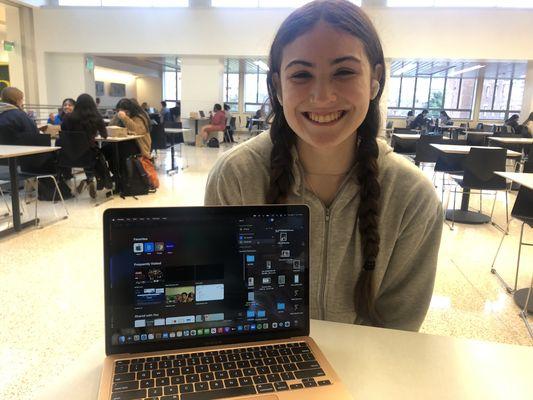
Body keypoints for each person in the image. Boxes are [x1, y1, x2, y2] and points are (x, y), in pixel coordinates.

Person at [205, 0, 443, 331]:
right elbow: (224, 304)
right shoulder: (237, 177)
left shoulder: (412, 197)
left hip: (368, 370)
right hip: (264, 365)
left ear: (374, 79)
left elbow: (399, 328)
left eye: (344, 72)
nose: (322, 95)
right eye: (301, 74)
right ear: (277, 86)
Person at [59, 93, 107, 198]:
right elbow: (105, 135)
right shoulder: (96, 117)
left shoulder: (68, 117)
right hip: (88, 154)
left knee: (83, 151)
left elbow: (63, 132)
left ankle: (75, 182)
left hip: (68, 156)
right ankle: (89, 179)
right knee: (94, 153)